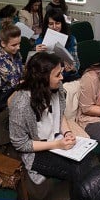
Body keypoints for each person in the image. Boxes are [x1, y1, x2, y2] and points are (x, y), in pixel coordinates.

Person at [9, 52, 93, 184]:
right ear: (43, 78)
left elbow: (59, 115)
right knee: (77, 170)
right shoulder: (22, 104)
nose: (62, 77)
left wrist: (67, 132)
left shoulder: (57, 87)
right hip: (37, 150)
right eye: (57, 74)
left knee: (86, 158)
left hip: (56, 139)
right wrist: (57, 144)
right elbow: (21, 144)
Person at [35, 10, 80, 80]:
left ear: (62, 24)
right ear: (47, 25)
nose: (54, 27)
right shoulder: (40, 40)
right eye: (51, 24)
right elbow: (36, 67)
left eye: (57, 23)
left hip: (68, 77)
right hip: (48, 78)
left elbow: (76, 63)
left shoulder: (71, 39)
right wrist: (36, 54)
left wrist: (73, 69)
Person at [0, 24, 24, 112]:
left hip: (18, 90)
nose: (18, 47)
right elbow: (15, 83)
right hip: (5, 98)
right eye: (14, 45)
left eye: (19, 43)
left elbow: (20, 71)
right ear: (3, 44)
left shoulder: (16, 53)